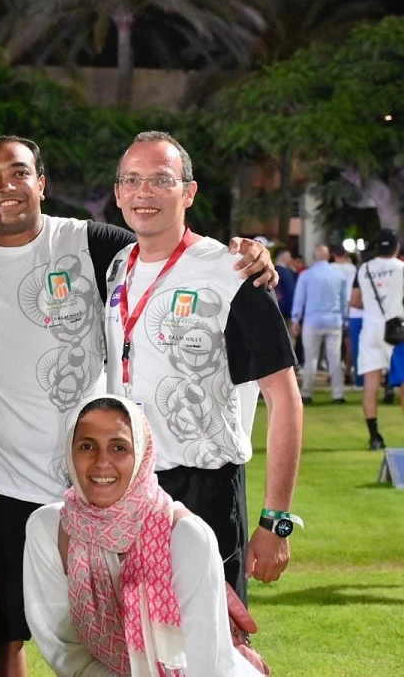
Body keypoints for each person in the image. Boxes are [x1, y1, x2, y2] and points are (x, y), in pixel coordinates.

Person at [0, 135, 274, 676]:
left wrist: (243, 255)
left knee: (148, 630)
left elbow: (167, 244)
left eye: (18, 173)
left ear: (42, 183)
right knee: (4, 637)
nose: (5, 187)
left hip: (95, 481)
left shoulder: (88, 242)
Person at [104, 131, 303, 604]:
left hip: (203, 489)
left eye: (160, 180)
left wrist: (276, 520)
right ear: (117, 193)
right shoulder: (116, 266)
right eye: (131, 180)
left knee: (211, 650)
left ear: (188, 192)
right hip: (127, 489)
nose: (143, 192)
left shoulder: (231, 271)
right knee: (138, 649)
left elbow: (285, 399)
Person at [24, 395, 267, 677]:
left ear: (142, 454)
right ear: (70, 451)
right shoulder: (50, 528)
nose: (102, 462)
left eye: (119, 448)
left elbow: (208, 664)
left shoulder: (186, 536)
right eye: (87, 446)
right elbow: (64, 650)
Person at [351, 229, 404, 451]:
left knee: (371, 386)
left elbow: (354, 301)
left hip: (371, 329)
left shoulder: (364, 269)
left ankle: (375, 437)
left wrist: (373, 307)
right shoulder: (401, 268)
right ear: (396, 247)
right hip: (397, 329)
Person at [291, 243, 348, 404]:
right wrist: (344, 318)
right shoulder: (338, 275)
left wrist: (296, 319)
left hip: (312, 320)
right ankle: (338, 394)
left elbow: (299, 299)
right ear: (328, 255)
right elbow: (344, 301)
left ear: (315, 255)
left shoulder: (307, 275)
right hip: (334, 320)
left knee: (311, 359)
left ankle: (307, 393)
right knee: (334, 359)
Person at [332, 244, 362, 386]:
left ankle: (335, 372)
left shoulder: (330, 268)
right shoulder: (352, 269)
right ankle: (348, 371)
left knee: (333, 346)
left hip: (333, 309)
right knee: (349, 344)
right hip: (352, 308)